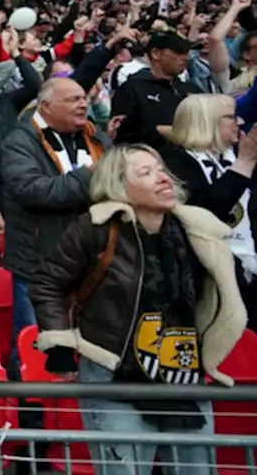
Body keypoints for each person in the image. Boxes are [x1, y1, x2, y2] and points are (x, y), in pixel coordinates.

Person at [33, 145, 246, 475]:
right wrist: (59, 344)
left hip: (183, 370)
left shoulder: (197, 230)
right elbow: (47, 282)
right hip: (113, 373)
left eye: (160, 169)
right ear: (119, 186)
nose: (162, 178)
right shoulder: (95, 228)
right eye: (145, 173)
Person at [1, 77, 109, 370]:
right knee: (38, 350)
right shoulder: (19, 141)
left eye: (83, 97)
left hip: (93, 263)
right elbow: (35, 191)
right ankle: (32, 413)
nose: (83, 104)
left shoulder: (95, 137)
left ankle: (76, 412)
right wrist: (91, 176)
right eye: (73, 99)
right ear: (46, 106)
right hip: (40, 265)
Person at [160, 94, 257, 327]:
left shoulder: (233, 156)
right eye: (231, 117)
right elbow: (205, 213)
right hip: (205, 279)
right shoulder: (172, 161)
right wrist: (244, 163)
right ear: (207, 121)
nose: (240, 122)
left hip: (249, 268)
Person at [112, 31, 203, 148]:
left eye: (186, 53)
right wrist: (160, 131)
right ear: (155, 53)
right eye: (178, 52)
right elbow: (122, 133)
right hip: (151, 158)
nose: (186, 58)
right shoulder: (132, 88)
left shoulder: (192, 89)